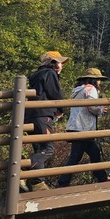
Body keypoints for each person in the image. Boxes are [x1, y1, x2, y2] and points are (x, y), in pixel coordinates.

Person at [23, 51, 69, 192]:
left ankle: (37, 183)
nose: (62, 66)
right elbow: (55, 93)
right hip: (43, 115)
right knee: (48, 148)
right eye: (60, 62)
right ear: (53, 63)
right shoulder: (50, 73)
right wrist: (62, 109)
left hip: (30, 115)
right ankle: (22, 171)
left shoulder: (36, 74)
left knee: (39, 148)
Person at [57, 68, 109, 187]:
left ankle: (101, 177)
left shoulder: (78, 90)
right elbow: (92, 107)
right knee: (76, 156)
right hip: (83, 127)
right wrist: (101, 109)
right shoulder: (91, 89)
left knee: (93, 152)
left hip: (75, 125)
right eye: (98, 80)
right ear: (94, 80)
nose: (99, 82)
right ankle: (63, 182)